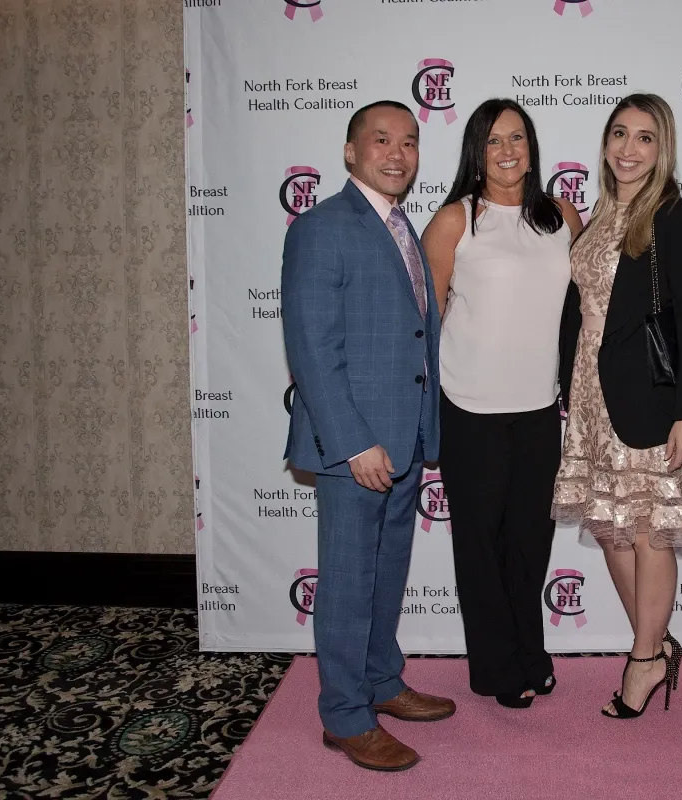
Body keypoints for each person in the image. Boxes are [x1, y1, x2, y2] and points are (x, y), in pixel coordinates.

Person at [281, 100, 453, 772]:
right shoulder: (322, 227)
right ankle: (345, 716)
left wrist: (421, 431)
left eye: (409, 142)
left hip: (403, 441)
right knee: (349, 582)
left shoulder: (401, 226)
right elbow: (311, 347)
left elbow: (414, 336)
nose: (397, 154)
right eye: (380, 140)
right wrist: (354, 442)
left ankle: (381, 681)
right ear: (351, 152)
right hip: (355, 447)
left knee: (385, 575)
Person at [553, 93, 682, 719]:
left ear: (663, 149)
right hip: (591, 398)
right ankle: (655, 647)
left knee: (651, 533)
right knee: (611, 531)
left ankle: (644, 658)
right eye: (619, 134)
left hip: (650, 399)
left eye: (645, 138)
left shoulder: (672, 216)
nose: (629, 149)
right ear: (605, 143)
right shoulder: (601, 215)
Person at [421, 99, 583, 709]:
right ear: (476, 152)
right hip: (469, 411)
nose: (507, 150)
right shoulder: (455, 220)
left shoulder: (562, 216)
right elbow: (426, 322)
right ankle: (495, 670)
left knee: (530, 544)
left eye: (516, 137)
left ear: (532, 148)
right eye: (493, 141)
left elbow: (588, 307)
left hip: (540, 410)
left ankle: (530, 655)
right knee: (480, 549)